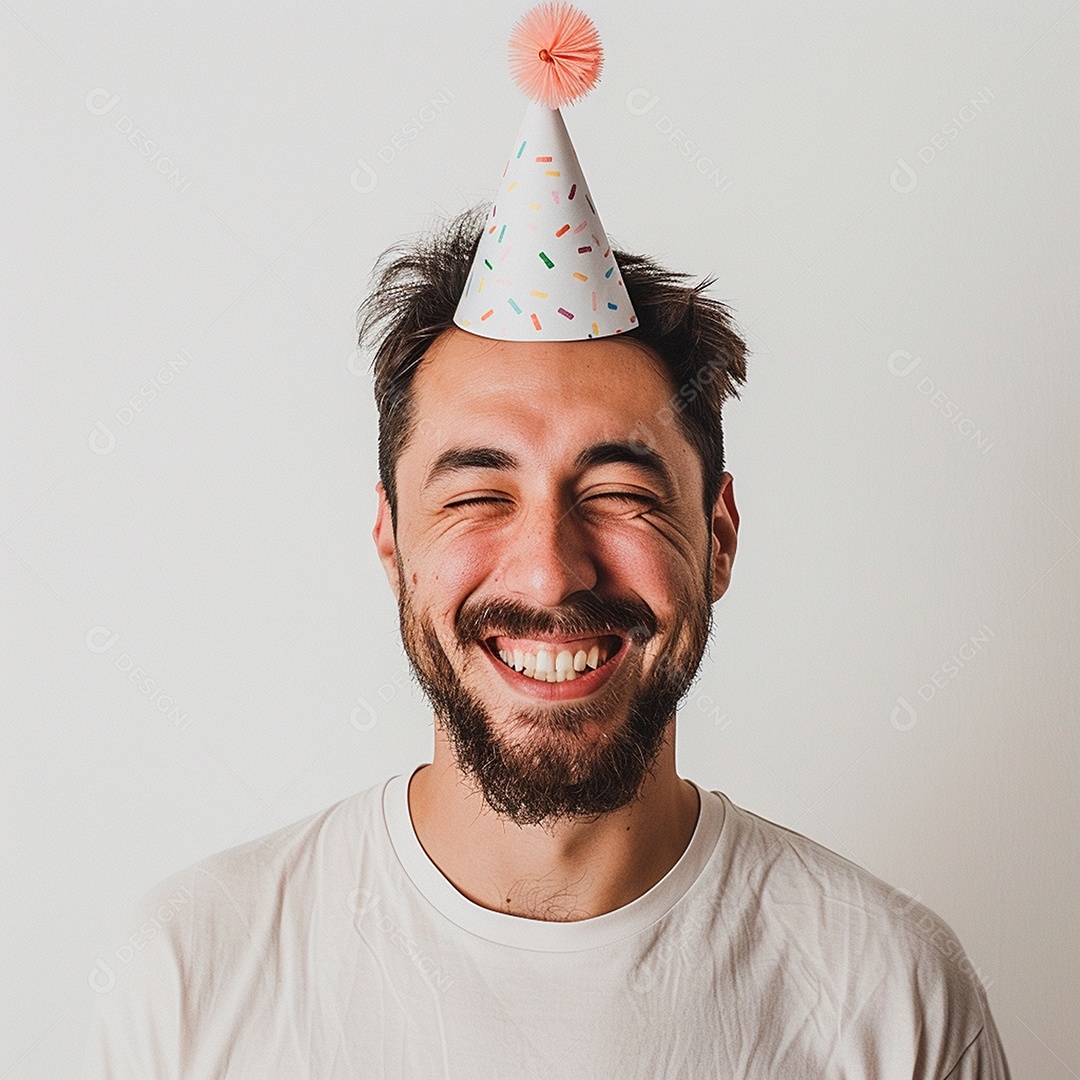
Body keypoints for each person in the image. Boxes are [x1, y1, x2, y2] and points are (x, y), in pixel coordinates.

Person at [81, 206, 1011, 1078]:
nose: (549, 575)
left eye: (619, 494)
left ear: (718, 538)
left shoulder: (894, 996)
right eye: (478, 496)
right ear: (392, 542)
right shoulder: (190, 974)